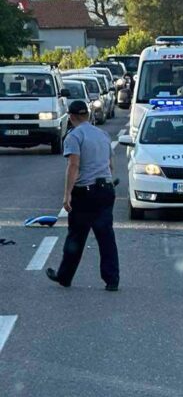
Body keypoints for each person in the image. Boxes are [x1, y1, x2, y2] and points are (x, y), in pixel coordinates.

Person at [46, 101, 119, 291]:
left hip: (85, 193)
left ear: (70, 117)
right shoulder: (103, 135)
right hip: (106, 190)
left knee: (76, 237)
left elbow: (74, 165)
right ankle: (112, 280)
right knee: (106, 236)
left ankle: (65, 277)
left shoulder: (74, 136)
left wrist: (67, 194)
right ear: (87, 115)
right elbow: (110, 166)